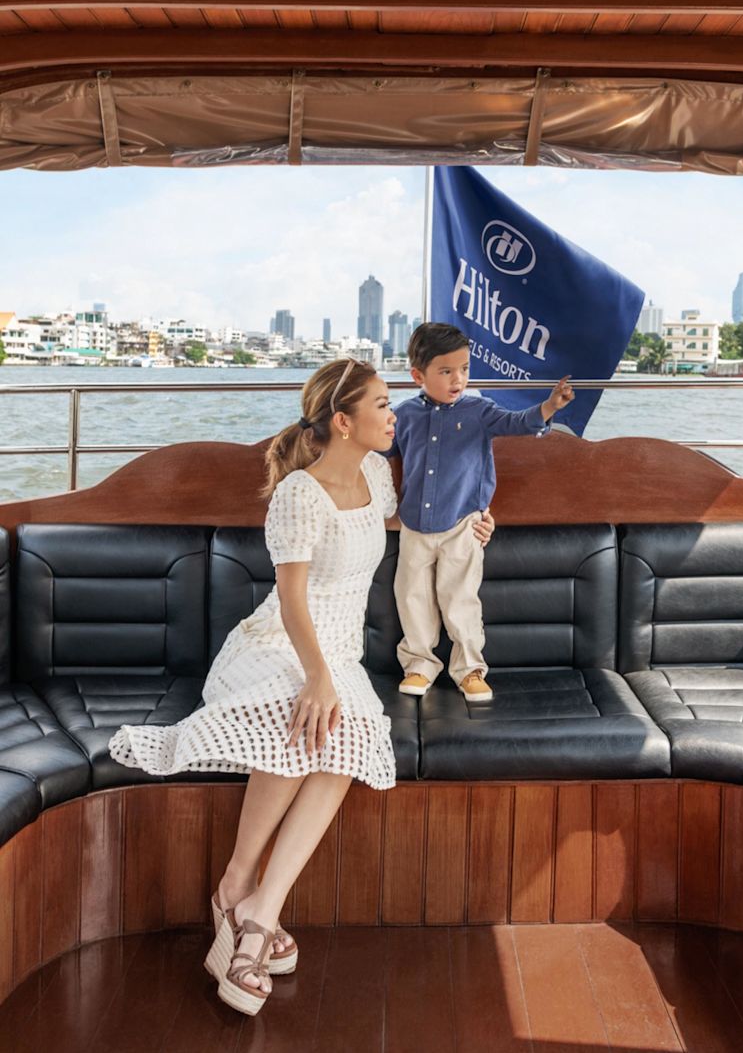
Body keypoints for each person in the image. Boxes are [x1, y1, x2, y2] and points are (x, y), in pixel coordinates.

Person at [107, 358, 490, 1017]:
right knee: (306, 716)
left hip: (339, 651)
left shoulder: (375, 474)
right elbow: (288, 599)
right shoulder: (298, 495)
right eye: (379, 405)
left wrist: (467, 527)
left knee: (345, 734)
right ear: (343, 422)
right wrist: (314, 677)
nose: (392, 415)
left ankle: (251, 900)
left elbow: (391, 527)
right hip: (277, 643)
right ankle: (242, 901)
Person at [389, 322, 574, 703]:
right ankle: (419, 665)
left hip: (463, 525)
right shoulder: (403, 415)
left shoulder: (480, 411)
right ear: (417, 375)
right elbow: (377, 450)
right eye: (446, 371)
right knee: (412, 597)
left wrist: (549, 406)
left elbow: (518, 422)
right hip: (413, 526)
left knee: (460, 599)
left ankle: (470, 667)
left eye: (465, 369)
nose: (458, 379)